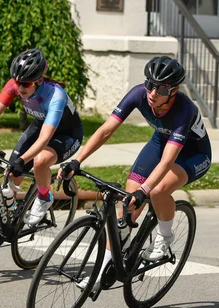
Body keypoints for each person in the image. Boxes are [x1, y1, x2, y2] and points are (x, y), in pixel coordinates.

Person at [61, 56, 212, 293]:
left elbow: (167, 161)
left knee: (158, 190)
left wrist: (145, 191)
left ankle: (164, 238)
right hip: (161, 141)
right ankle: (104, 269)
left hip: (193, 154)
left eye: (161, 88)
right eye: (150, 84)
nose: (153, 92)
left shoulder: (184, 110)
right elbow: (105, 131)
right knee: (126, 205)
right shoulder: (138, 93)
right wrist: (77, 160)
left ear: (174, 90)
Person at [0, 48, 83, 250]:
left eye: (27, 83)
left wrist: (23, 160)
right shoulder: (16, 84)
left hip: (67, 135)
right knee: (10, 176)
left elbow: (44, 140)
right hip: (42, 124)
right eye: (17, 82)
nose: (20, 87)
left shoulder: (55, 95)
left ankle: (44, 196)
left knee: (40, 161)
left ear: (39, 80)